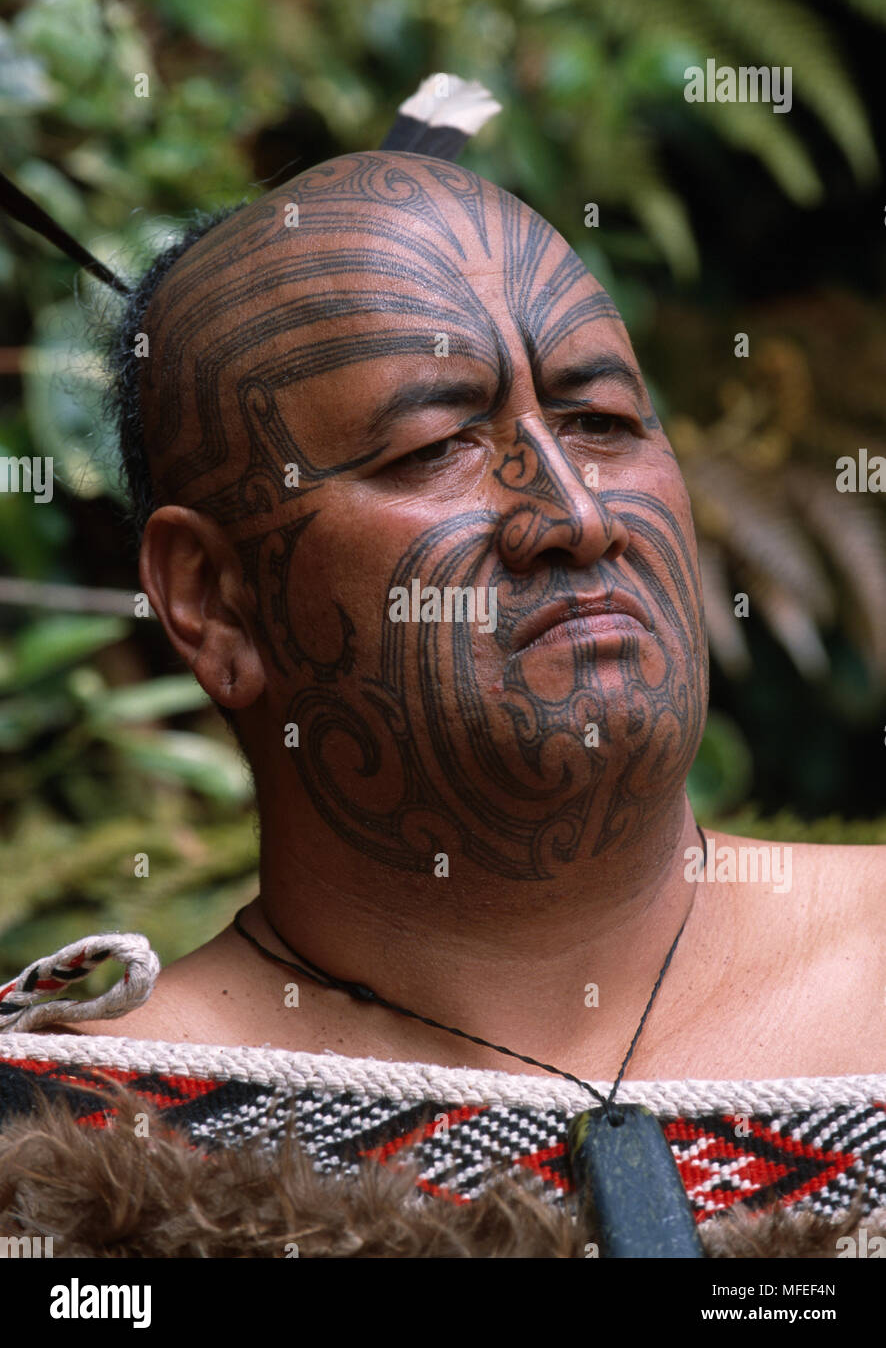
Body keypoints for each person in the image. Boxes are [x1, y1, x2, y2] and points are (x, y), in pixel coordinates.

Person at [1, 138, 884, 1254]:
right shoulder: (62, 1163)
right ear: (214, 602)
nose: (573, 513)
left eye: (604, 423)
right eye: (434, 445)